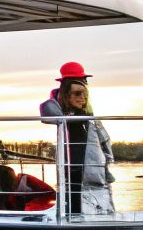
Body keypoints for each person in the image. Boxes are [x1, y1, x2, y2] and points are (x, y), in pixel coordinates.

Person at [48, 75, 115, 214]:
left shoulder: (90, 120)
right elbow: (49, 108)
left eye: (85, 93)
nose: (82, 97)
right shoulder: (63, 117)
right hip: (73, 172)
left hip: (93, 174)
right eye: (77, 93)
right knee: (74, 207)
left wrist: (106, 165)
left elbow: (104, 144)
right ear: (66, 96)